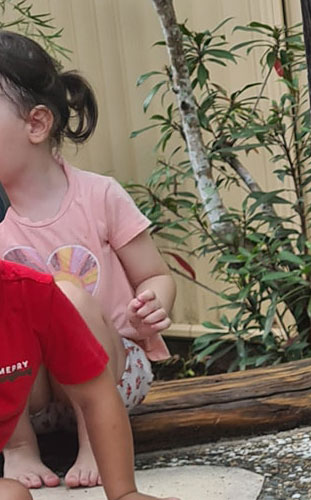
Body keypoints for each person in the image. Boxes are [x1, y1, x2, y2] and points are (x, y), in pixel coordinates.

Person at [0, 31, 174, 490]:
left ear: (37, 123)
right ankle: (17, 447)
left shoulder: (100, 196)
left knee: (66, 294)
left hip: (113, 376)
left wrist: (153, 302)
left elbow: (154, 274)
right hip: (34, 397)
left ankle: (96, 441)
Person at [0, 261, 177, 500]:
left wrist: (124, 493)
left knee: (13, 496)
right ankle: (20, 450)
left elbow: (97, 396)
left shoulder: (30, 291)